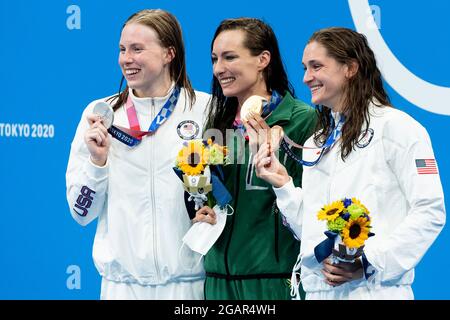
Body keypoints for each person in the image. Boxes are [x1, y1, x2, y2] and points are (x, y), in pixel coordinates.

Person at [252, 27, 446, 299]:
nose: (307, 78)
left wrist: (368, 262)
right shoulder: (316, 143)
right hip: (320, 291)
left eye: (316, 66)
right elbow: (312, 229)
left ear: (350, 68)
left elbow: (430, 211)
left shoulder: (398, 128)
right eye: (305, 68)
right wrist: (283, 184)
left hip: (373, 290)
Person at [65, 9, 210, 300]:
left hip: (189, 285)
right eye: (122, 49)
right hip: (121, 287)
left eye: (137, 49)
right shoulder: (100, 115)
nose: (125, 59)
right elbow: (81, 213)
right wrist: (97, 162)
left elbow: (225, 195)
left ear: (169, 54)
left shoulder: (206, 110)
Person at [193, 18, 317, 300]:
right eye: (214, 59)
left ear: (263, 59)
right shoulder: (217, 122)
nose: (218, 69)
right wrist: (202, 208)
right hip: (217, 282)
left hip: (273, 283)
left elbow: (311, 204)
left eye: (230, 57)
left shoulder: (300, 121)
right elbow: (217, 194)